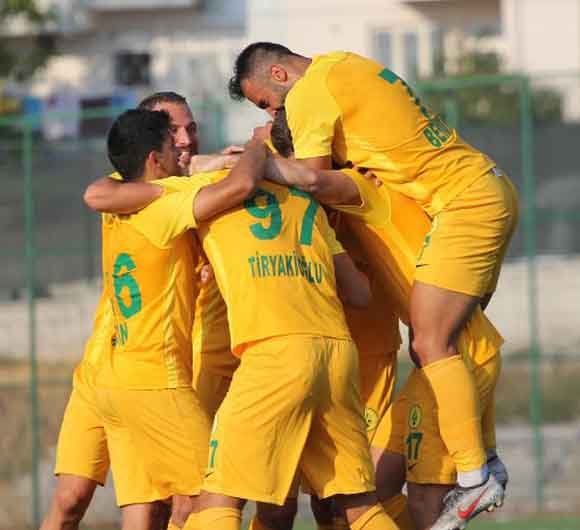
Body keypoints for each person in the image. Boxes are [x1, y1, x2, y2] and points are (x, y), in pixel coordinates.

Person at [229, 42, 519, 529]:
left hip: (468, 209)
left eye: (267, 103)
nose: (276, 110)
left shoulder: (351, 171)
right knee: (367, 496)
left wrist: (258, 152)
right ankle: (484, 462)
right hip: (478, 204)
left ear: (278, 73)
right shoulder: (346, 65)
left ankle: (477, 473)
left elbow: (314, 180)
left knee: (430, 344)